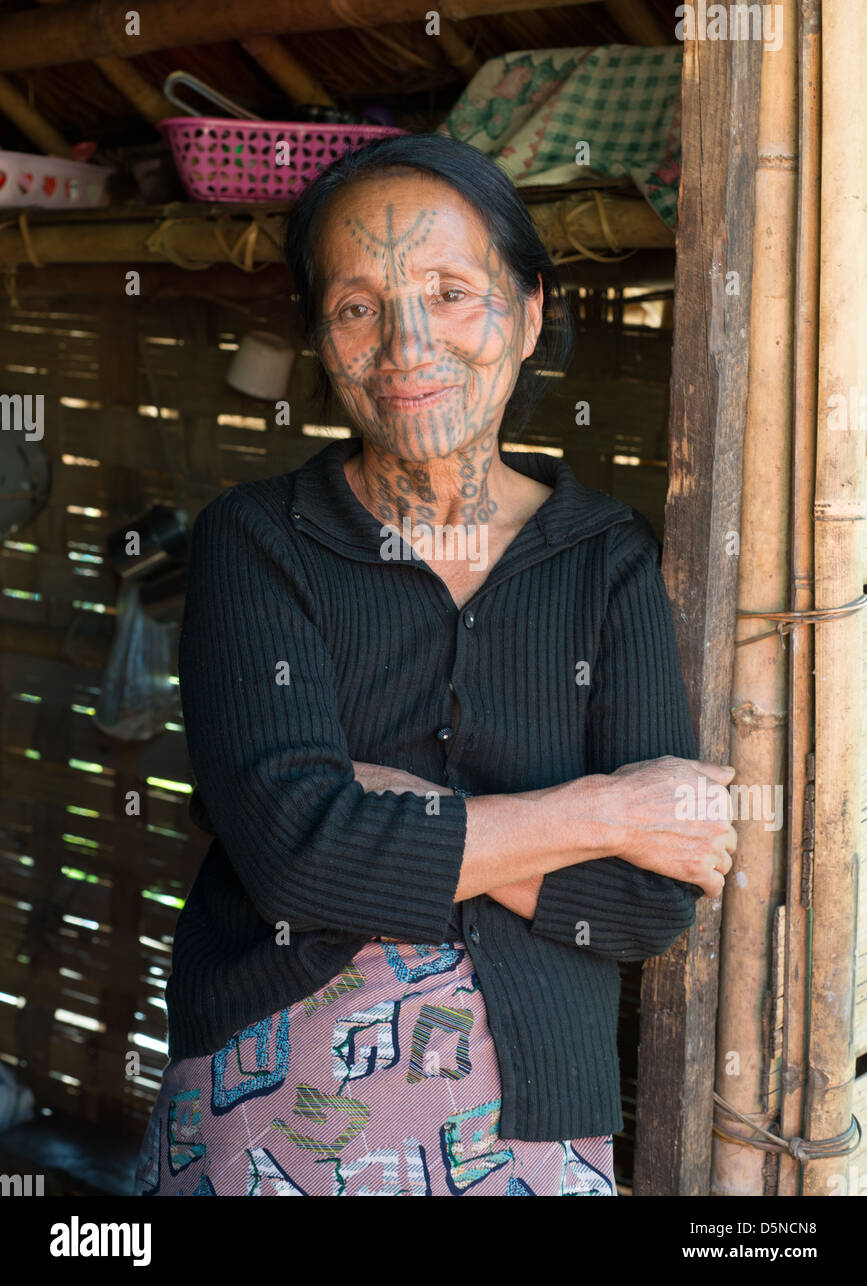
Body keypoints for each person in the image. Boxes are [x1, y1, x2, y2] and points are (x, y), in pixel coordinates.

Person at [134, 134, 736, 1197]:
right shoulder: (259, 538)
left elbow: (650, 905)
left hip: (537, 1113)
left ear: (531, 310)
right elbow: (294, 856)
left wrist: (391, 807)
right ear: (322, 335)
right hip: (274, 1097)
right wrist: (607, 807)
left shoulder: (607, 560)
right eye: (360, 305)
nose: (409, 343)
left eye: (453, 293)